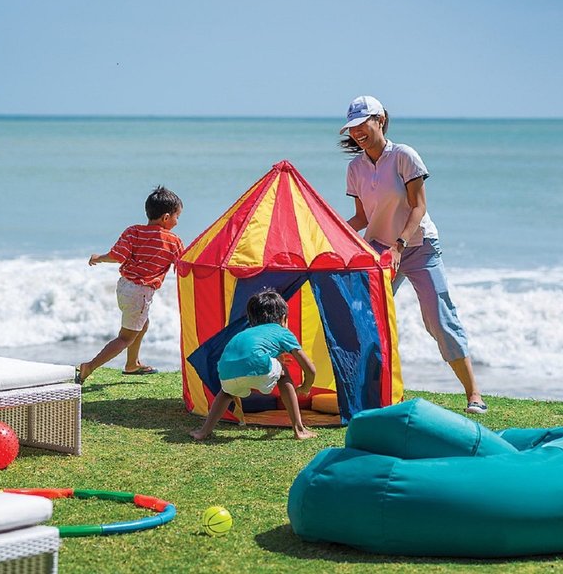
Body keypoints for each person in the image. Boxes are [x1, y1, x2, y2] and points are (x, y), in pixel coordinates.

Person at [339, 95, 487, 414]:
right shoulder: (355, 168)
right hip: (379, 251)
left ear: (380, 120)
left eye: (363, 124)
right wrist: (331, 233)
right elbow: (363, 217)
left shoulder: (404, 156)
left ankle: (474, 394)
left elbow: (418, 206)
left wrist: (399, 245)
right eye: (352, 127)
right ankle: (375, 391)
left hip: (418, 246)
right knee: (363, 317)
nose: (357, 132)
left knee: (439, 319)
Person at [76, 186, 184, 384]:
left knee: (143, 324)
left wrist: (99, 258)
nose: (177, 222)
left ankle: (132, 364)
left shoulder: (133, 231)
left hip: (125, 287)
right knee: (125, 338)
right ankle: (89, 366)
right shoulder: (173, 241)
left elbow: (117, 256)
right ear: (166, 217)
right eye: (178, 217)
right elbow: (184, 265)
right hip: (140, 293)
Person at [190, 289, 317, 440]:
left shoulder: (244, 333)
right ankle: (299, 429)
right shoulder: (283, 332)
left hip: (226, 372)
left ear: (251, 319)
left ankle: (204, 431)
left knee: (226, 393)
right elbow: (310, 369)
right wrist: (305, 387)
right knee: (283, 374)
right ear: (284, 318)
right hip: (258, 367)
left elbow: (249, 354)